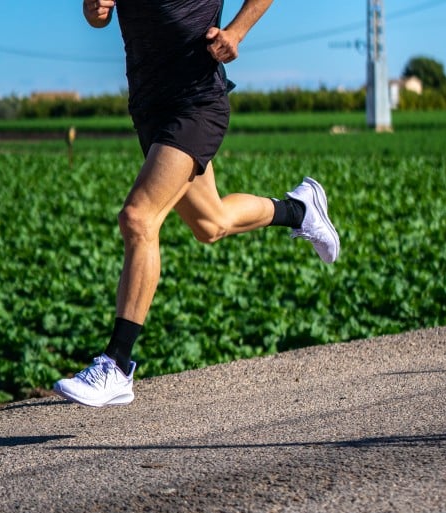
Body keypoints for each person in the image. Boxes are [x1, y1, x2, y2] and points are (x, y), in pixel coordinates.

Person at [54, 0, 340, 407]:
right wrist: (93, 8)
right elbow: (97, 17)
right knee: (211, 223)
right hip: (150, 103)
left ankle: (116, 366)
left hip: (196, 100)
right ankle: (300, 209)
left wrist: (236, 31)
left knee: (138, 218)